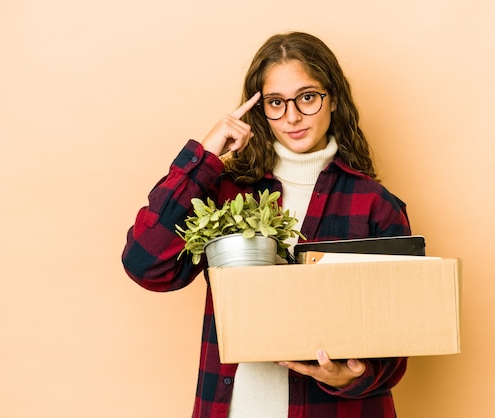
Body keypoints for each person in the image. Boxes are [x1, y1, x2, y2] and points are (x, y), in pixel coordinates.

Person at [122, 31, 412, 418]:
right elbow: (145, 263)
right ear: (260, 110)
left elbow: (401, 332)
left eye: (307, 97)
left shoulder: (374, 204)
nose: (292, 117)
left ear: (334, 99)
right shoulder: (225, 190)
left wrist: (351, 376)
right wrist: (205, 157)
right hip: (239, 407)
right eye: (276, 102)